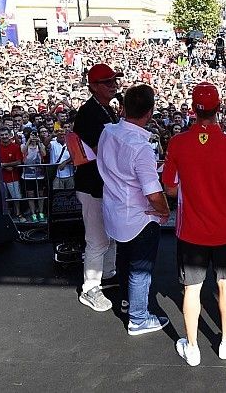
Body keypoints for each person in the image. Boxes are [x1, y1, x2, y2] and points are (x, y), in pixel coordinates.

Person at [163, 82, 226, 366]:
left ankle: (192, 348)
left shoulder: (177, 142)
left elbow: (171, 189)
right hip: (225, 229)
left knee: (191, 290)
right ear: (219, 109)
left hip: (191, 231)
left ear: (192, 110)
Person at [97, 83, 171, 335]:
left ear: (123, 107)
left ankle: (129, 302)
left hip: (114, 212)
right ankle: (138, 318)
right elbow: (153, 192)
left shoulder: (107, 132)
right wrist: (164, 211)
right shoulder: (141, 148)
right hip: (139, 218)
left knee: (123, 257)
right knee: (141, 268)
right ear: (149, 113)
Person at [74, 63, 123, 312]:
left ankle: (108, 273)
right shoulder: (88, 113)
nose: (114, 85)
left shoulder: (107, 110)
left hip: (104, 185)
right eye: (107, 82)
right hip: (92, 185)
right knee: (96, 238)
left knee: (110, 234)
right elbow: (103, 149)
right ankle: (90, 288)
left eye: (114, 80)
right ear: (93, 87)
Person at [0, 126, 23, 221]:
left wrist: (4, 165)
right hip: (1, 178)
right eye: (2, 135)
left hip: (13, 177)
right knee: (4, 198)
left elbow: (19, 162)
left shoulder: (15, 147)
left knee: (16, 197)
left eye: (6, 134)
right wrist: (4, 166)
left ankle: (18, 213)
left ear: (10, 135)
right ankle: (6, 215)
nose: (4, 136)